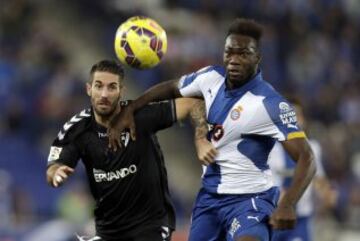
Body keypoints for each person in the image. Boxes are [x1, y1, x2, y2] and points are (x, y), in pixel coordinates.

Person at [108, 18, 317, 241]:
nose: (234, 60)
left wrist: (288, 203)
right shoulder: (210, 78)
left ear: (258, 58)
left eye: (243, 54)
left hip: (250, 201)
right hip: (209, 200)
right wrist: (132, 107)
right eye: (229, 53)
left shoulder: (270, 103)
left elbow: (307, 157)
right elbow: (172, 87)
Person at [46, 60, 211, 241]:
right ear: (88, 89)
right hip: (108, 230)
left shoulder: (139, 116)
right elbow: (55, 165)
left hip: (151, 225)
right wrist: (56, 173)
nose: (104, 94)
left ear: (121, 91)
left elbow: (192, 103)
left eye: (112, 87)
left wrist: (201, 138)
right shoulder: (77, 128)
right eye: (98, 86)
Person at [269, 96, 338, 241]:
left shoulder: (313, 148)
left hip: (300, 220)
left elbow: (319, 180)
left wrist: (326, 193)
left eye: (297, 115)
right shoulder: (270, 149)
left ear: (304, 119)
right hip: (273, 218)